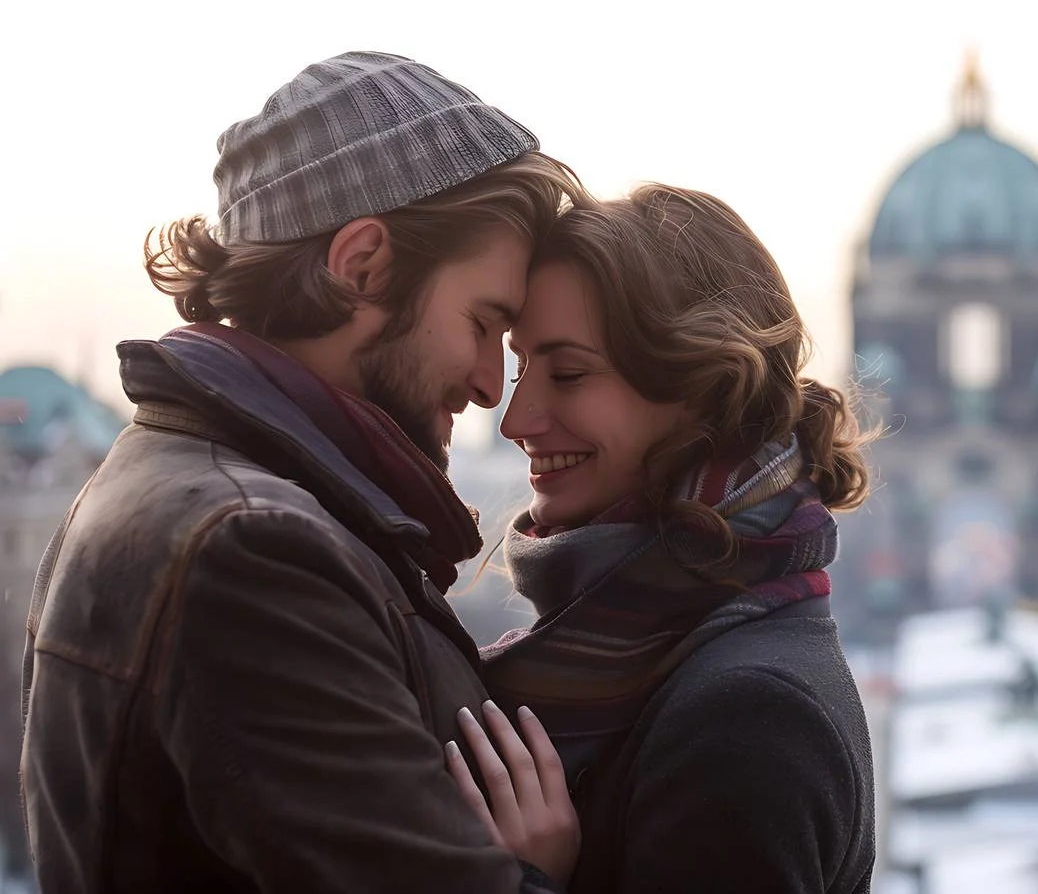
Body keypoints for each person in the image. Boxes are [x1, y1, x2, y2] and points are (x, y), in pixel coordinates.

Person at [20, 52, 586, 893]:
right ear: (361, 263)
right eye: (482, 322)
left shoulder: (196, 485)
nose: (486, 385)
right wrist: (539, 873)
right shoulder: (249, 549)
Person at [451, 184, 878, 893]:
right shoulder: (695, 647)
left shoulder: (747, 720)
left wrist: (522, 883)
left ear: (705, 389)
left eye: (569, 372)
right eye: (523, 366)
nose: (515, 418)